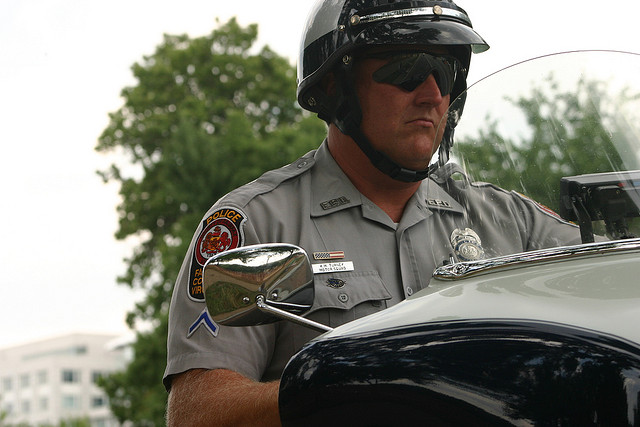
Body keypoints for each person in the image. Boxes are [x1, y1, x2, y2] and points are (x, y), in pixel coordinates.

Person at [164, 0, 580, 425]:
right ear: (336, 87)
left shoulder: (514, 223)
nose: (433, 94)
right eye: (408, 70)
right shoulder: (257, 222)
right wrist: (349, 384)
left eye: (446, 72)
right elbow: (197, 413)